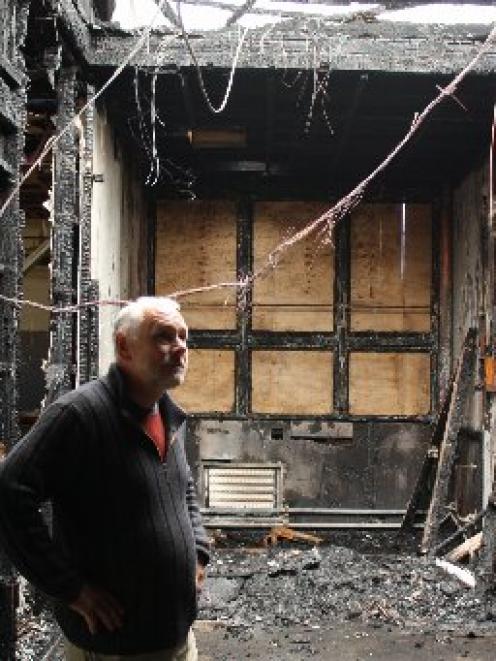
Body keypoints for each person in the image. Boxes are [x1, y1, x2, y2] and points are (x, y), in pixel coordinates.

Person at [0, 296, 210, 660]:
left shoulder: (167, 413)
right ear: (124, 346)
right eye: (164, 336)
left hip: (176, 637)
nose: (180, 348)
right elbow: (9, 493)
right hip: (116, 647)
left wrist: (198, 552)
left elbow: (183, 488)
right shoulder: (79, 416)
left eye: (183, 337)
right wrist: (70, 589)